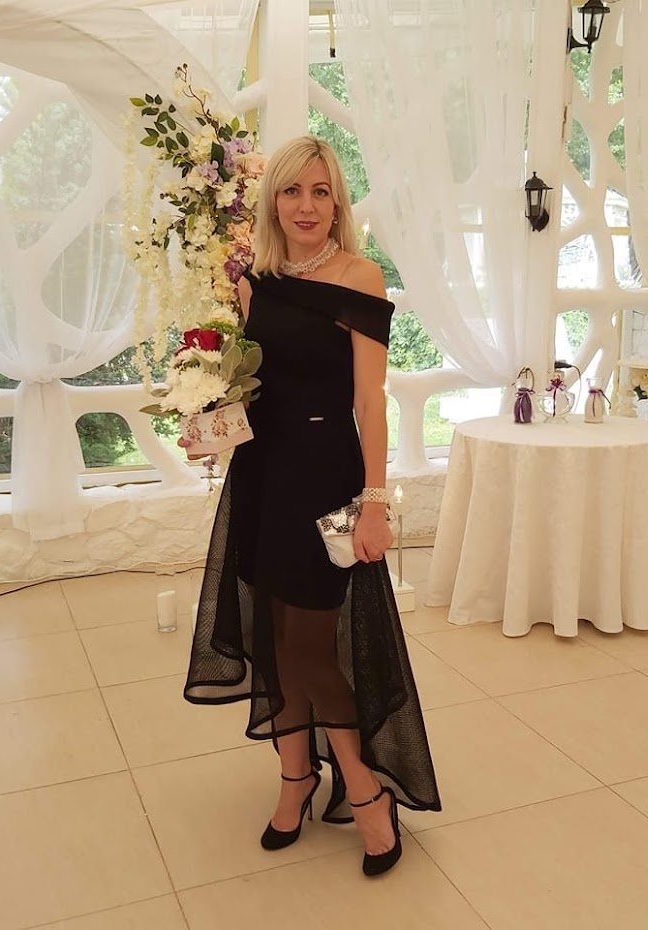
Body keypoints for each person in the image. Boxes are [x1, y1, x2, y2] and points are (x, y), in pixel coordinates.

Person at [184, 135, 440, 878]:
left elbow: (370, 401)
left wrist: (375, 501)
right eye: (293, 191)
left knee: (311, 648)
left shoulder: (361, 276)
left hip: (326, 476)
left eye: (321, 192)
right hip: (263, 475)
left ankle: (364, 788)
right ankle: (295, 776)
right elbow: (249, 388)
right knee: (273, 637)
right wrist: (206, 425)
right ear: (273, 203)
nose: (306, 206)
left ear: (338, 203)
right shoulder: (253, 283)